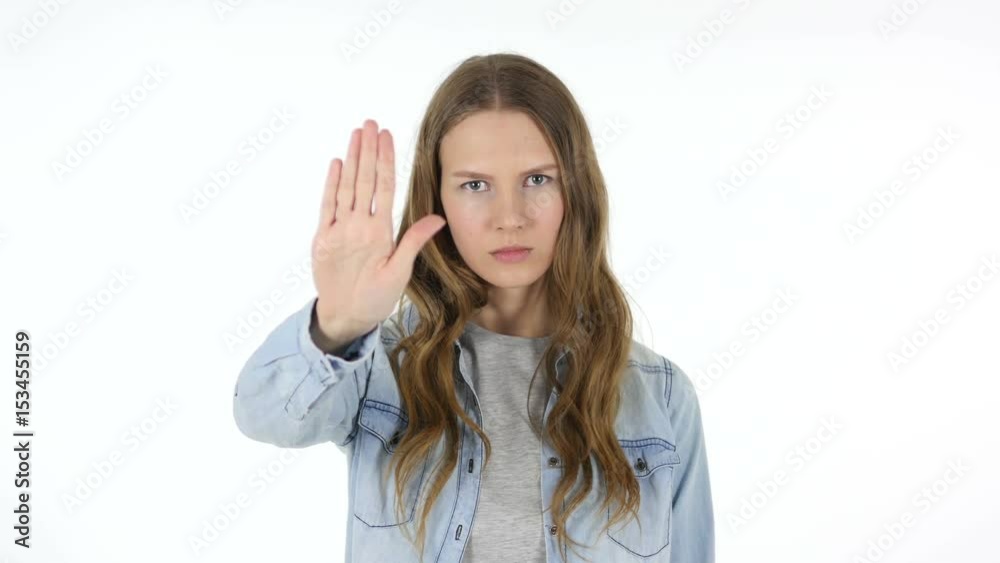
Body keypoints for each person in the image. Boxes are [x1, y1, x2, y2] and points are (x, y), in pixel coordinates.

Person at [233, 53, 714, 563]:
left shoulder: (661, 396)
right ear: (436, 197)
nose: (510, 217)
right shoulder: (379, 368)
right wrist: (341, 323)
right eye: (475, 185)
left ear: (576, 190)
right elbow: (263, 415)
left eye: (537, 180)